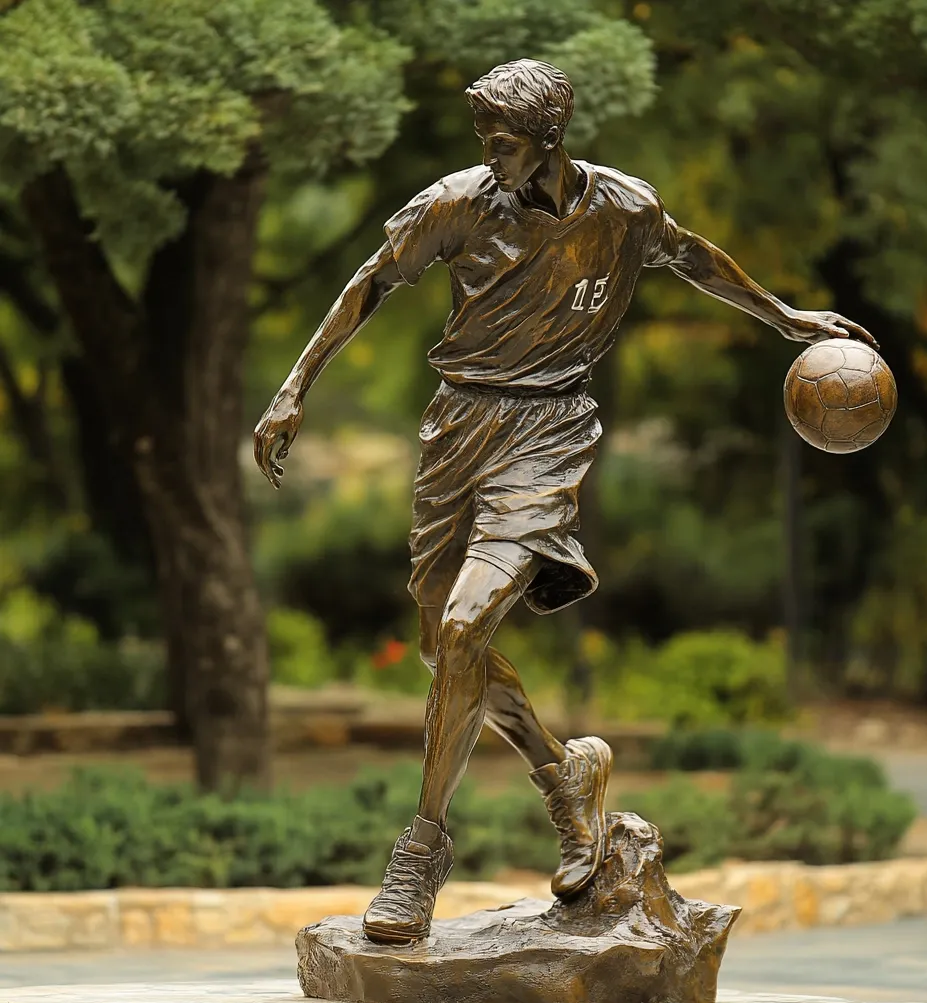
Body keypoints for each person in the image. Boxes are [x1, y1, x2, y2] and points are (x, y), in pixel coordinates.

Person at [253, 58, 876, 945]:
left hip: (547, 433)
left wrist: (785, 317)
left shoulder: (622, 208)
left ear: (548, 138)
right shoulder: (457, 204)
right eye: (483, 140)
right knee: (443, 646)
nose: (488, 155)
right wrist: (292, 389)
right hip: (457, 429)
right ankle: (564, 781)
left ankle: (420, 852)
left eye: (501, 141)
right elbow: (370, 282)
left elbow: (694, 258)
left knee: (467, 629)